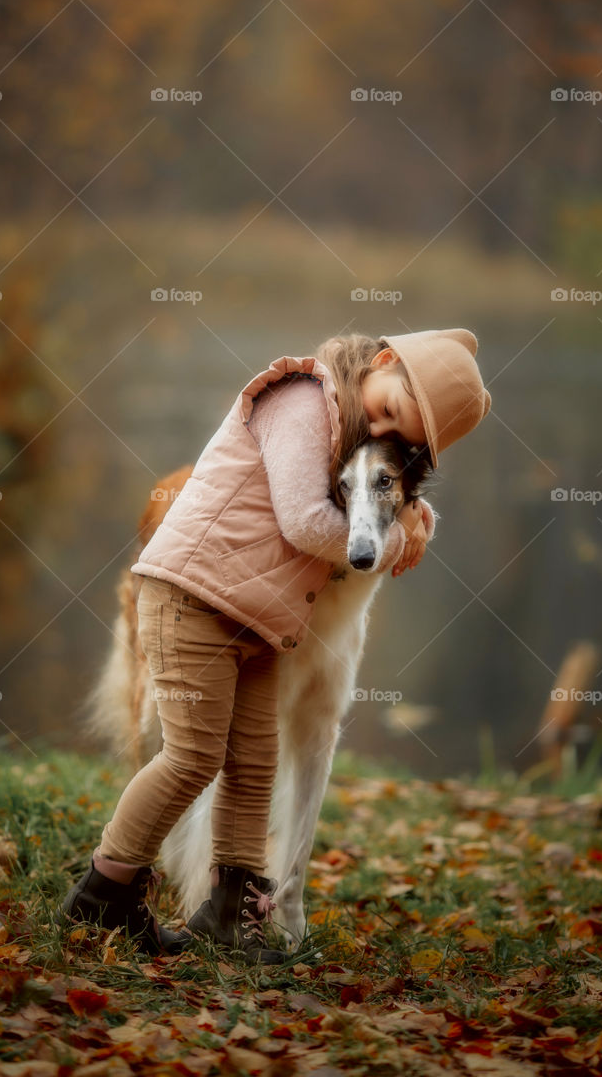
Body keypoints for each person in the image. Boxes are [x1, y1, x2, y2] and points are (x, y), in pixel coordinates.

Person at [59, 328, 491, 964]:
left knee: (256, 763)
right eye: (389, 410)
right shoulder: (301, 399)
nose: (382, 430)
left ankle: (233, 912)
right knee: (191, 758)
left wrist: (414, 512)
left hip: (255, 620)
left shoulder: (349, 429)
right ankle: (104, 889)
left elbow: (374, 491)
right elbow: (306, 522)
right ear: (384, 360)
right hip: (193, 599)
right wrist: (397, 539)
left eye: (400, 438)